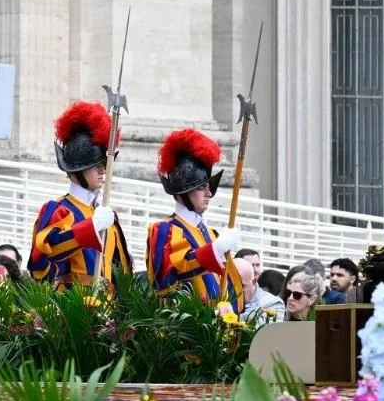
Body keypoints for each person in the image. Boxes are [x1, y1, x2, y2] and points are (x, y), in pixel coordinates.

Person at [28, 101, 132, 289]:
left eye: (104, 164)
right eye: (94, 165)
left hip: (107, 310)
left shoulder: (108, 215)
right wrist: (90, 228)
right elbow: (40, 259)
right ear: (75, 171)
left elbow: (122, 272)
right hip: (72, 308)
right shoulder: (58, 209)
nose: (103, 170)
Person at [146, 128, 243, 307]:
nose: (208, 194)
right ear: (183, 193)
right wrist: (216, 249)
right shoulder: (164, 229)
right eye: (200, 188)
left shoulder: (210, 233)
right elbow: (166, 277)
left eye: (208, 187)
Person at [235, 256, 283, 325]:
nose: (235, 291)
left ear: (254, 281)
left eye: (241, 286)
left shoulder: (273, 303)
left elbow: (261, 333)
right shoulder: (222, 298)